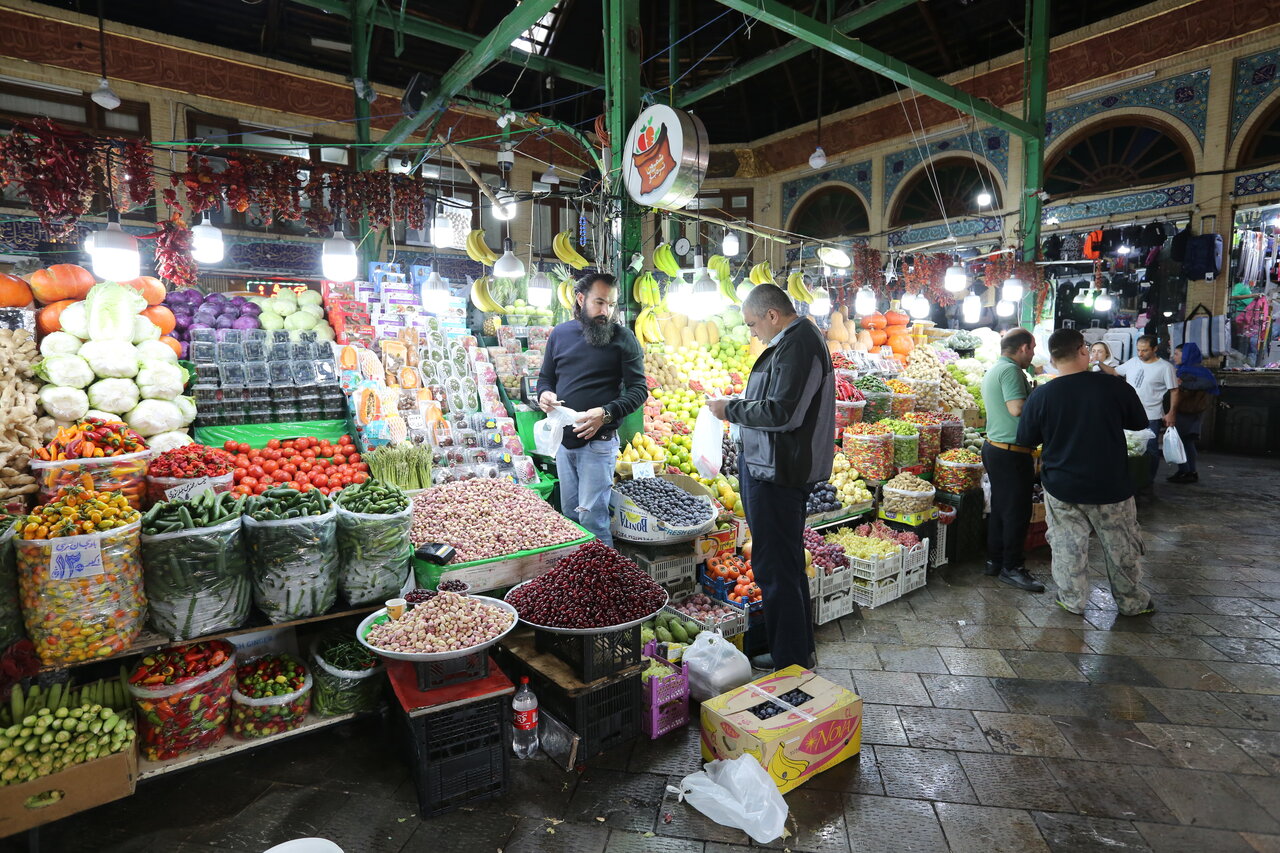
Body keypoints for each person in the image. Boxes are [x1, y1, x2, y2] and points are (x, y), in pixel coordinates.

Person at [706, 284, 834, 671]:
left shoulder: (798, 344)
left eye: (752, 324)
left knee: (776, 569)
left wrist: (731, 409)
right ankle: (794, 653)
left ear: (772, 315)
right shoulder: (794, 341)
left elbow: (783, 413)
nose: (753, 333)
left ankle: (791, 662)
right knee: (785, 565)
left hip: (778, 474)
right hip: (772, 467)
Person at [1016, 329, 1153, 616]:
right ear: (1083, 351)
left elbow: (1026, 439)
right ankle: (1132, 603)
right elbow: (1139, 423)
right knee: (1121, 547)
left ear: (1053, 359)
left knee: (1067, 546)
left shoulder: (1042, 395)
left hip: (1062, 486)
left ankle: (1072, 600)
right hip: (1110, 485)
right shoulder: (1113, 387)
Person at [535, 273, 647, 546]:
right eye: (599, 302)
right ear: (581, 299)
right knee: (570, 519)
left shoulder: (623, 338)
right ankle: (577, 573)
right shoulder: (560, 334)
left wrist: (606, 413)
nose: (605, 311)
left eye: (611, 304)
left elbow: (639, 390)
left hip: (598, 445)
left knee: (593, 521)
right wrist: (544, 395)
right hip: (564, 444)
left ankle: (602, 573)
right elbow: (546, 378)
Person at [978, 328, 1045, 593]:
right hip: (1010, 453)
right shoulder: (1011, 371)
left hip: (996, 448)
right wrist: (1040, 399)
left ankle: (995, 561)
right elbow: (1017, 408)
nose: (1033, 353)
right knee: (1017, 512)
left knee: (1001, 508)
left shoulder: (996, 369)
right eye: (1033, 348)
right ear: (1023, 347)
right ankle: (1012, 567)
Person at [1100, 335, 1177, 490]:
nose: (1140, 354)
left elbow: (1174, 391)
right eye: (1138, 350)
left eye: (1145, 350)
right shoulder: (1133, 362)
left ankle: (1147, 481)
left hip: (1151, 416)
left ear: (1155, 349)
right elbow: (1114, 372)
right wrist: (1097, 363)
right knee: (1129, 447)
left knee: (1150, 449)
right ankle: (1129, 478)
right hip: (1128, 414)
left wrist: (1171, 413)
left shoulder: (1165, 367)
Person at [1166, 342, 1219, 483]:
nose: (1174, 357)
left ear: (1186, 355)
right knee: (1186, 442)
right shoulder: (1190, 370)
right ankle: (1188, 471)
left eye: (1177, 354)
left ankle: (1187, 471)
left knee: (1183, 442)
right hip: (1190, 411)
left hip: (1187, 412)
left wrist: (1182, 384)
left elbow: (1207, 384)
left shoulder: (1190, 371)